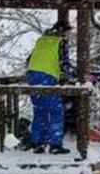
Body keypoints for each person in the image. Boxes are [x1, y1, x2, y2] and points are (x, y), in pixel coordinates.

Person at [26, 14, 73, 155]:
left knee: (39, 111)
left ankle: (37, 143)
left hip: (32, 76)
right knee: (56, 111)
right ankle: (55, 145)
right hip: (47, 77)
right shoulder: (61, 41)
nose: (69, 36)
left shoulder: (42, 40)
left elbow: (28, 60)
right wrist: (70, 75)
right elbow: (63, 64)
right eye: (69, 33)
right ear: (64, 31)